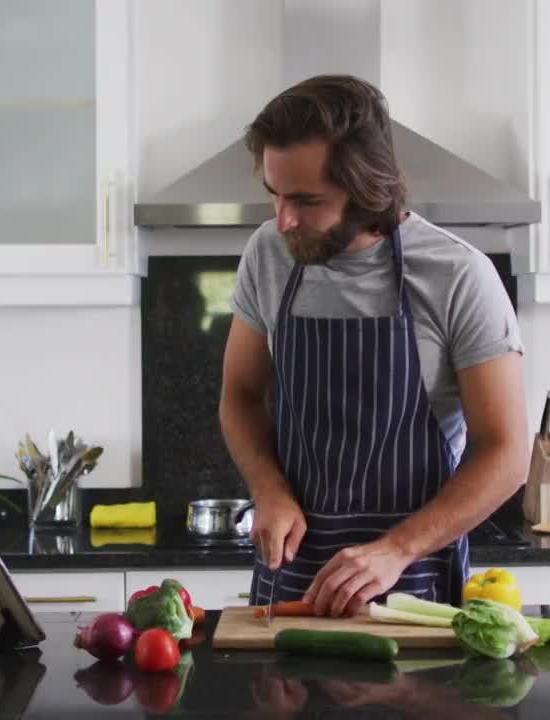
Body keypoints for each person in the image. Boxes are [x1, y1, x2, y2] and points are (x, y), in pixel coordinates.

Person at [219, 74, 528, 617]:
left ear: (366, 187)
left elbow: (506, 454)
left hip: (412, 585)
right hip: (289, 580)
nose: (282, 220)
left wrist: (397, 549)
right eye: (274, 195)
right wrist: (268, 490)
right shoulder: (268, 255)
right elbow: (240, 395)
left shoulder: (459, 277)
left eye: (306, 200)